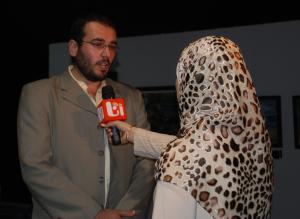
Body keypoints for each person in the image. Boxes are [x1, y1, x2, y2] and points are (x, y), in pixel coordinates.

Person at [104, 36, 274, 219]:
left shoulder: (181, 161)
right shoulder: (256, 148)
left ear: (194, 83)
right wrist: (131, 134)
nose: (177, 85)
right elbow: (196, 148)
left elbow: (188, 152)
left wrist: (174, 154)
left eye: (180, 76)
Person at [17, 13, 155, 219]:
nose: (107, 54)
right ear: (73, 47)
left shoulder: (131, 97)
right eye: (98, 44)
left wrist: (124, 212)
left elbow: (146, 161)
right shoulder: (40, 94)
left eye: (112, 46)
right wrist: (94, 214)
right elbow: (35, 166)